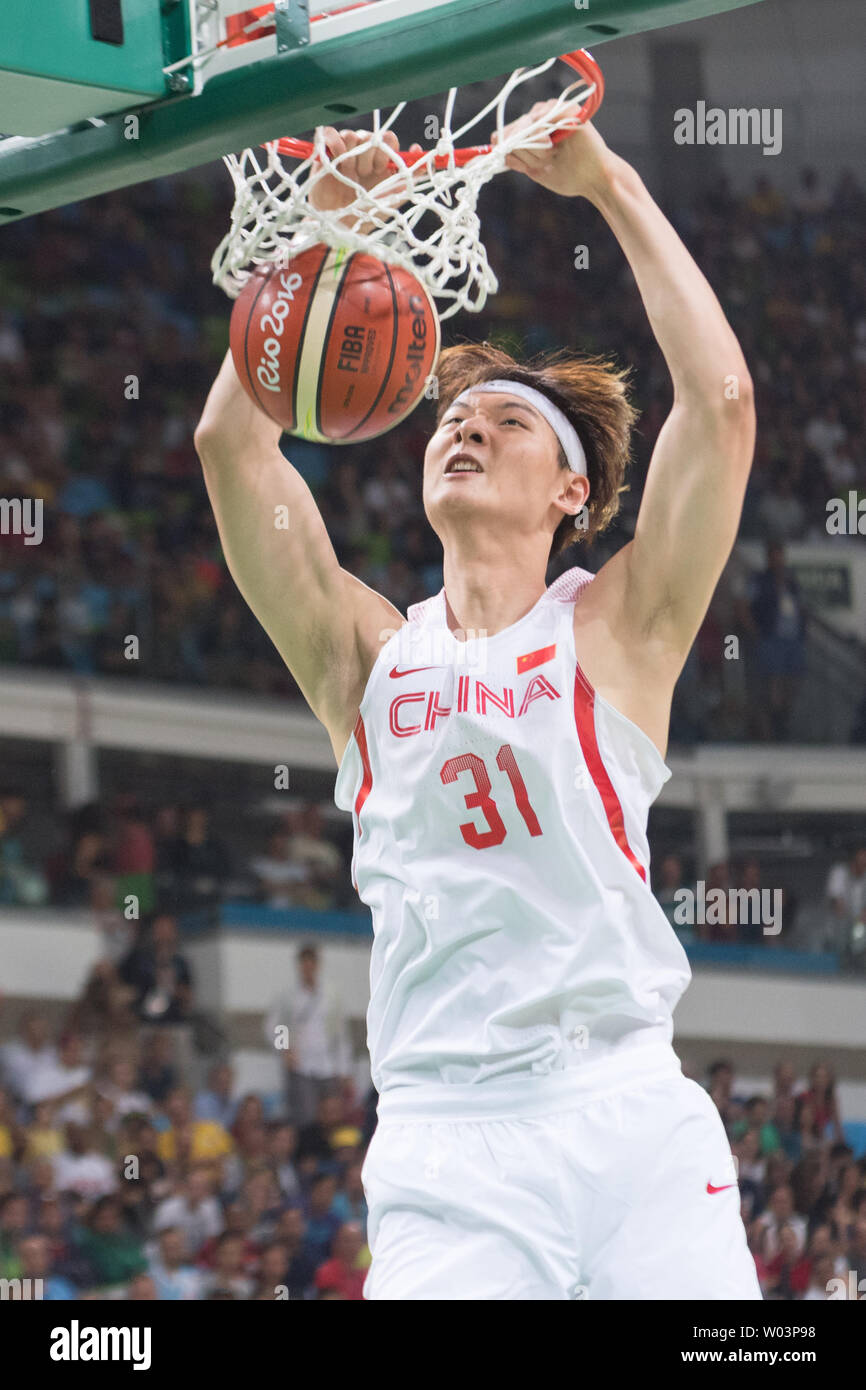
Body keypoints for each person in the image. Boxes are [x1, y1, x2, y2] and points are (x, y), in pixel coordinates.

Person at [195, 112, 760, 1300]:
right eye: (452, 417)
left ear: (569, 489)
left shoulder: (618, 628)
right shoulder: (366, 656)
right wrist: (324, 231)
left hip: (623, 1115)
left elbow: (719, 405)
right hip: (449, 1142)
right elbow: (226, 447)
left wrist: (607, 184)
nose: (464, 425)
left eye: (507, 423)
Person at [263, 944, 353, 1128]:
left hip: (328, 1065)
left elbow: (340, 1034)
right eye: (304, 964)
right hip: (301, 1066)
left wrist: (344, 1069)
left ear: (317, 965)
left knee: (332, 1115)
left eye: (311, 964)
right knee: (306, 1117)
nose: (308, 968)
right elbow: (275, 1025)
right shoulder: (288, 996)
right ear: (299, 966)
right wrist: (285, 1049)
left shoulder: (331, 995)